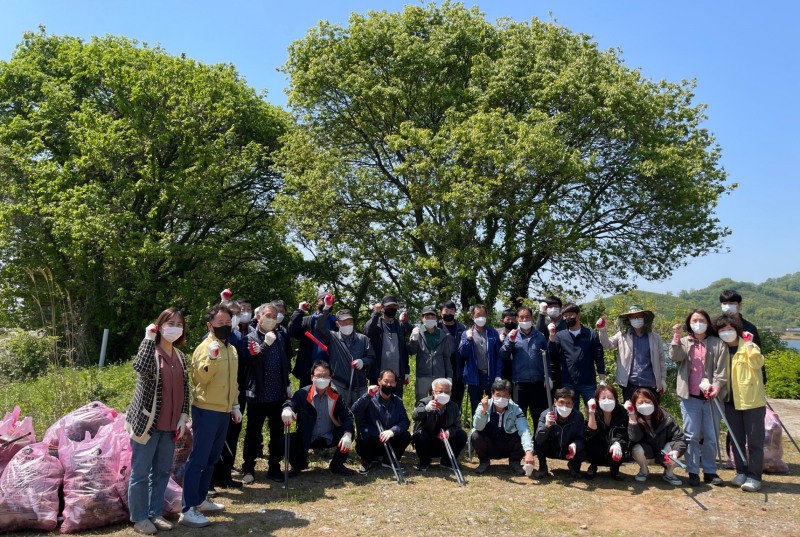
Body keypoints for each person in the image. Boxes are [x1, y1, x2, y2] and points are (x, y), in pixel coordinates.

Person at [125, 308, 190, 534]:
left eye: (179, 324)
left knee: (162, 472)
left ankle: (155, 514)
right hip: (147, 425)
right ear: (160, 325)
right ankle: (140, 517)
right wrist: (147, 338)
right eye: (170, 323)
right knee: (140, 473)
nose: (175, 327)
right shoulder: (151, 351)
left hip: (170, 427)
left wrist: (183, 417)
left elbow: (185, 390)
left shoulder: (181, 357)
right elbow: (140, 368)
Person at [180, 305, 241, 528]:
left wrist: (235, 404)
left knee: (212, 459)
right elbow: (200, 380)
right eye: (219, 324)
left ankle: (201, 499)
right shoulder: (204, 348)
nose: (224, 327)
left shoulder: (232, 349)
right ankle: (187, 508)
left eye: (228, 323)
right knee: (198, 459)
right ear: (209, 325)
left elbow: (233, 381)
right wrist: (212, 359)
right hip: (206, 410)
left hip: (224, 410)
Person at [670, 309, 728, 486]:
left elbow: (722, 370)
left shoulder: (718, 343)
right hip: (690, 398)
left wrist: (716, 387)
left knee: (711, 436)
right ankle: (693, 471)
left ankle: (710, 471)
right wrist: (676, 336)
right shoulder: (685, 342)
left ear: (708, 322)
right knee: (691, 435)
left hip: (712, 398)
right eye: (694, 320)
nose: (698, 323)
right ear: (689, 323)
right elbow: (675, 356)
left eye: (701, 320)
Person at [241, 303, 292, 485]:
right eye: (268, 315)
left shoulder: (280, 337)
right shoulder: (250, 338)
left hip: (277, 394)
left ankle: (274, 466)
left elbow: (284, 362)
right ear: (259, 317)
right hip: (257, 394)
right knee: (253, 433)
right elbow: (252, 362)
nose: (271, 319)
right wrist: (265, 344)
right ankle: (248, 467)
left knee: (277, 433)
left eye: (274, 316)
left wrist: (286, 384)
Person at [715, 314, 766, 492]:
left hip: (752, 401)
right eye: (722, 330)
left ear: (737, 329)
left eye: (729, 329)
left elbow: (758, 362)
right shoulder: (721, 349)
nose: (726, 332)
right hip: (730, 401)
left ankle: (754, 477)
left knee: (754, 441)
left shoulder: (748, 346)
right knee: (736, 440)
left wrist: (751, 345)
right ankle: (741, 472)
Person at [281, 361, 356, 476]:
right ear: (312, 377)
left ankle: (337, 465)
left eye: (325, 376)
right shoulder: (302, 394)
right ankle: (298, 464)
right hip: (307, 437)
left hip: (329, 436)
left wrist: (348, 434)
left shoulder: (335, 395)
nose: (322, 379)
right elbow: (291, 403)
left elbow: (347, 416)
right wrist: (287, 409)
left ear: (330, 378)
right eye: (318, 376)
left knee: (348, 432)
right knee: (285, 439)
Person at [597, 305, 667, 402]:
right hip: (629, 384)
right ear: (628, 319)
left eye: (639, 316)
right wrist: (602, 330)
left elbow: (661, 360)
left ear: (644, 317)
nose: (636, 319)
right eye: (633, 317)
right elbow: (607, 344)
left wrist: (662, 379)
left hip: (651, 384)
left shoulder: (655, 337)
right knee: (631, 413)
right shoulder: (622, 335)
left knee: (651, 413)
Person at [351, 369, 412, 474]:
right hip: (371, 440)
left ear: (396, 383)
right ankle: (366, 461)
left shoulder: (397, 401)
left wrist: (392, 431)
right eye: (386, 381)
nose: (388, 384)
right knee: (364, 435)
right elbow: (355, 410)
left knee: (405, 435)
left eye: (392, 382)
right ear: (379, 381)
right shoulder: (370, 397)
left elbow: (405, 421)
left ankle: (389, 461)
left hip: (389, 441)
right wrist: (368, 395)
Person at [499, 306, 550, 430]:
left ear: (532, 318)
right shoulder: (513, 335)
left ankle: (539, 444)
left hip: (537, 382)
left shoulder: (540, 336)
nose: (524, 319)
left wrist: (549, 377)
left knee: (538, 415)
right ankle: (521, 444)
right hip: (519, 383)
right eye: (521, 317)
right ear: (517, 319)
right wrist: (510, 341)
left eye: (527, 317)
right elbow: (503, 354)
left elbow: (547, 358)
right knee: (519, 415)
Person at [316, 301, 375, 409]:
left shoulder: (363, 339)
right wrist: (326, 309)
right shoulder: (332, 337)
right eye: (344, 322)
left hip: (360, 386)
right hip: (339, 386)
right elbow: (319, 327)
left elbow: (371, 357)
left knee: (362, 418)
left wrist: (363, 362)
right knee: (340, 419)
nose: (348, 325)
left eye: (350, 322)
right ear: (338, 324)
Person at [470, 379, 535, 475]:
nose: (501, 398)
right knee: (475, 435)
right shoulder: (483, 405)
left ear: (509, 395)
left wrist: (529, 451)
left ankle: (515, 462)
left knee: (521, 435)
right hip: (489, 444)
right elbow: (478, 427)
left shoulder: (516, 409)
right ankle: (484, 462)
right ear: (492, 394)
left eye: (504, 395)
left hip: (507, 444)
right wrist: (483, 411)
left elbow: (524, 429)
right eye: (498, 395)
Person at [547, 303, 605, 407]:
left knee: (593, 411)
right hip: (568, 383)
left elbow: (599, 357)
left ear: (578, 315)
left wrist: (602, 380)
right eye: (565, 315)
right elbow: (552, 355)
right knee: (571, 412)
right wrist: (551, 337)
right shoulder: (560, 336)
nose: (568, 317)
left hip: (588, 382)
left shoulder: (591, 334)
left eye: (571, 314)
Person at [626, 387, 686, 486]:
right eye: (640, 403)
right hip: (646, 452)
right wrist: (631, 415)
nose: (644, 405)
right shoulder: (633, 417)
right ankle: (644, 470)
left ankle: (669, 473)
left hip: (664, 452)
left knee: (674, 449)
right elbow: (634, 438)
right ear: (634, 405)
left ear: (654, 401)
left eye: (647, 401)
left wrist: (675, 452)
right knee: (636, 448)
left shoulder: (666, 417)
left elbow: (679, 438)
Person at [411, 378, 467, 471]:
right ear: (433, 393)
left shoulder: (454, 406)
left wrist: (450, 432)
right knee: (421, 435)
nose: (444, 394)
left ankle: (447, 461)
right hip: (427, 442)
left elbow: (457, 426)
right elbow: (415, 416)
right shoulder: (425, 402)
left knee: (462, 435)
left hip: (444, 441)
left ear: (451, 394)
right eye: (440, 391)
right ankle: (424, 461)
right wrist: (426, 409)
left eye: (447, 392)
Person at [459, 304, 503, 417]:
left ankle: (492, 429)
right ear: (472, 316)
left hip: (490, 375)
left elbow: (499, 356)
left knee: (494, 405)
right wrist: (468, 340)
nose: (481, 318)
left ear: (487, 316)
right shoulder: (466, 333)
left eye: (483, 315)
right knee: (476, 406)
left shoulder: (493, 333)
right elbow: (463, 353)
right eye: (478, 315)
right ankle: (477, 430)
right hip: (474, 376)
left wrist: (498, 374)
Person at [533, 387, 585, 479]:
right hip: (551, 449)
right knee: (539, 441)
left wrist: (575, 445)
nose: (564, 406)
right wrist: (547, 425)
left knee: (583, 449)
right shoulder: (546, 414)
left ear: (573, 404)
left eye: (568, 403)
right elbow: (538, 438)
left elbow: (581, 437)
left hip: (568, 450)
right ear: (555, 402)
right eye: (561, 402)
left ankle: (574, 466)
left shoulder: (578, 416)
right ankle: (543, 467)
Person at [363, 296, 411, 397]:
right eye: (389, 306)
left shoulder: (400, 326)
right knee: (376, 404)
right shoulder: (376, 324)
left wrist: (406, 371)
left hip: (397, 376)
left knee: (396, 404)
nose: (392, 308)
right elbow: (367, 332)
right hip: (378, 374)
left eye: (394, 306)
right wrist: (375, 313)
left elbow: (404, 350)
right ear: (382, 308)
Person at [288, 291, 338, 388]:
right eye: (324, 299)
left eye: (330, 300)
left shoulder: (335, 321)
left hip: (330, 371)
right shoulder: (308, 320)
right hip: (308, 370)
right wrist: (299, 311)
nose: (327, 302)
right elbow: (292, 331)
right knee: (307, 399)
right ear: (317, 303)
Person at [409, 305, 454, 402]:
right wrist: (414, 340)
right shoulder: (417, 332)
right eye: (427, 317)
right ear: (422, 318)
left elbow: (446, 357)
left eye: (432, 317)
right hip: (423, 375)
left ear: (436, 319)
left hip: (439, 375)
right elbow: (411, 352)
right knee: (421, 403)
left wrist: (449, 376)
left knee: (439, 403)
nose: (430, 319)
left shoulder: (442, 334)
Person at [720, 290, 765, 386]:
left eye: (731, 303)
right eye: (724, 303)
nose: (727, 306)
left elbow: (757, 353)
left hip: (744, 377)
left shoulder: (749, 327)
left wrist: (762, 378)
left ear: (739, 304)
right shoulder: (715, 325)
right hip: (722, 374)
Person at [583, 385, 628, 480]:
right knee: (593, 446)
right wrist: (591, 412)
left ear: (615, 399)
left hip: (614, 442)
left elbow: (623, 433)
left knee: (619, 449)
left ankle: (615, 468)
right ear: (597, 400)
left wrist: (617, 443)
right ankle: (593, 466)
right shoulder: (594, 410)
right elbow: (591, 432)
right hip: (598, 443)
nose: (607, 400)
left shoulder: (622, 412)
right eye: (603, 398)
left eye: (610, 398)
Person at [438, 301, 467, 418]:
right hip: (441, 370)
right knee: (440, 399)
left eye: (451, 311)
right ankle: (440, 424)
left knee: (456, 400)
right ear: (441, 313)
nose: (448, 313)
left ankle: (455, 425)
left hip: (458, 370)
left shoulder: (462, 328)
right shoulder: (436, 327)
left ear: (455, 312)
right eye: (446, 310)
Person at [497, 308, 518, 382]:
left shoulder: (520, 333)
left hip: (517, 370)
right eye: (508, 319)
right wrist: (498, 340)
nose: (510, 321)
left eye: (513, 319)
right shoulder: (497, 333)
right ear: (502, 321)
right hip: (501, 371)